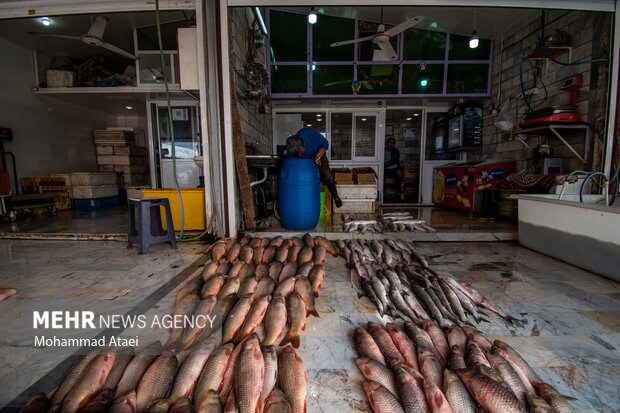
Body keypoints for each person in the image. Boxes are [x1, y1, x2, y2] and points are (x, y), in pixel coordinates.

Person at [285, 127, 343, 208]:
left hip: (319, 154)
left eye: (301, 152)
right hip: (304, 162)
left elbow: (325, 143)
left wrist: (318, 155)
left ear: (304, 144)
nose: (300, 155)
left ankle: (336, 197)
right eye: (297, 153)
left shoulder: (309, 133)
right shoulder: (291, 151)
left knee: (326, 175)